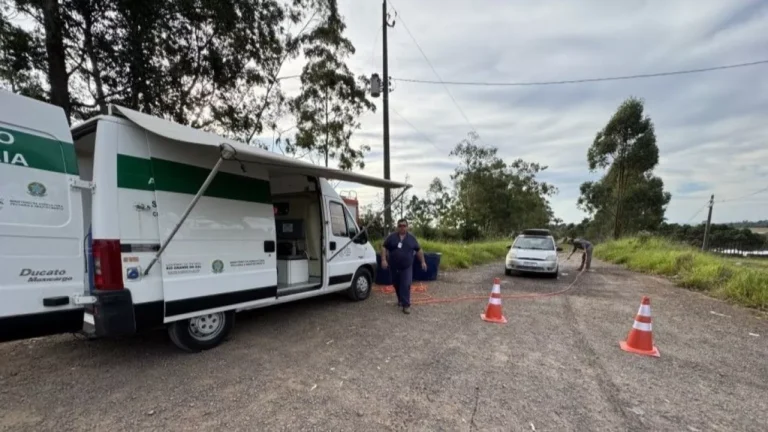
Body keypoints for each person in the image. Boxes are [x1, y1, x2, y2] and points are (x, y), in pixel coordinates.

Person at [381, 219, 427, 314]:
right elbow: (384, 247)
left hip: (406, 266)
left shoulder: (411, 238)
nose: (402, 227)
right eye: (400, 225)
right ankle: (400, 300)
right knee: (396, 284)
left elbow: (418, 250)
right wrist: (383, 260)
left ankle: (406, 305)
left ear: (407, 227)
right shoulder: (391, 237)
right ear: (397, 227)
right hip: (394, 266)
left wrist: (423, 262)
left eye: (404, 226)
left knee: (405, 284)